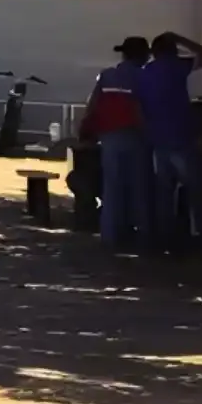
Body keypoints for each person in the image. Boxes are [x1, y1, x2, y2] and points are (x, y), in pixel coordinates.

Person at [138, 31, 202, 250]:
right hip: (182, 136)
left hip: (157, 137)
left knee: (164, 191)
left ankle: (166, 237)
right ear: (173, 51)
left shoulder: (145, 73)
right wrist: (182, 39)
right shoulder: (175, 67)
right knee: (197, 188)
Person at [78, 37, 152, 250]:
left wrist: (87, 130)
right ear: (143, 55)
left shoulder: (107, 75)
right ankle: (142, 234)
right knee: (139, 186)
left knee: (112, 186)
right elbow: (142, 107)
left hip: (109, 136)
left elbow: (93, 104)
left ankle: (110, 234)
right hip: (136, 135)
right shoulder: (143, 76)